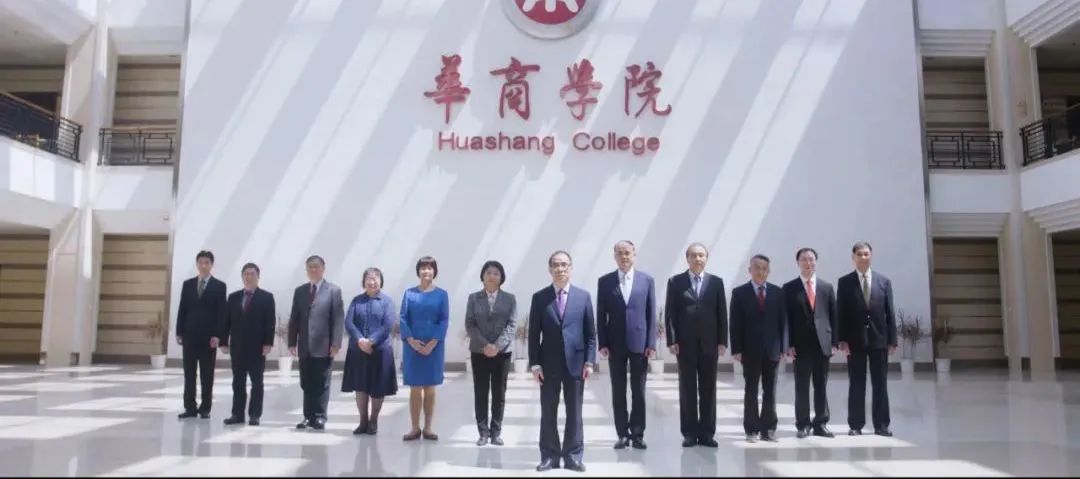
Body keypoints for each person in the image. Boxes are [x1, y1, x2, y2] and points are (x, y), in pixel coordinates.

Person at [530, 250, 596, 473]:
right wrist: (535, 364)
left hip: (576, 364)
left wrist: (589, 362)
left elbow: (590, 334)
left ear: (571, 268)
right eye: (556, 265)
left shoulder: (583, 297)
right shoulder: (539, 298)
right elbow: (533, 334)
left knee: (575, 412)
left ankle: (573, 456)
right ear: (550, 269)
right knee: (548, 411)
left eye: (564, 264)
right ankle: (549, 456)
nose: (560, 269)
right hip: (548, 365)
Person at [664, 242, 727, 448]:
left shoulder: (716, 282)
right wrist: (672, 340)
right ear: (687, 258)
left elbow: (721, 313)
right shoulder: (676, 282)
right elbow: (670, 313)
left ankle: (707, 433)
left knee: (709, 389)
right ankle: (690, 433)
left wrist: (722, 341)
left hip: (710, 344)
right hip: (685, 345)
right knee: (687, 389)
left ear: (706, 258)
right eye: (694, 255)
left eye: (701, 255)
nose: (698, 259)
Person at [596, 240, 655, 450]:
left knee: (639, 391)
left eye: (627, 253)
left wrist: (651, 343)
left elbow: (651, 313)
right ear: (614, 256)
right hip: (615, 344)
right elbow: (600, 314)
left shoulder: (646, 280)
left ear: (634, 255)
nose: (624, 257)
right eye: (619, 253)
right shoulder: (605, 281)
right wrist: (602, 342)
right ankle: (622, 433)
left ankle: (637, 434)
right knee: (618, 390)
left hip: (640, 343)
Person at [838, 241, 897, 437]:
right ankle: (855, 425)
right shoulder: (844, 282)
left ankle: (882, 425)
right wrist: (842, 340)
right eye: (859, 254)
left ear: (871, 256)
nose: (863, 257)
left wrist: (892, 340)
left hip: (879, 339)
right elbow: (841, 313)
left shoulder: (883, 281)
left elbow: (890, 312)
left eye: (866, 254)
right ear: (853, 258)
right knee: (856, 383)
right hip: (854, 341)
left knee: (880, 383)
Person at [730, 254, 788, 443]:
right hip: (750, 350)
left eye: (764, 268)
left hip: (772, 350)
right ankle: (752, 429)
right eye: (757, 268)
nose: (760, 272)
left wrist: (784, 347)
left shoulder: (778, 292)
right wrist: (737, 349)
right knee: (751, 390)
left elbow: (783, 322)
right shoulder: (739, 293)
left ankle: (768, 429)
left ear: (768, 271)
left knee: (770, 390)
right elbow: (735, 323)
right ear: (750, 270)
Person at [783, 247, 838, 438]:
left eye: (812, 259)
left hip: (823, 344)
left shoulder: (826, 287)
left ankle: (821, 423)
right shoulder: (789, 288)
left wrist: (834, 342)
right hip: (800, 345)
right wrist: (788, 344)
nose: (808, 263)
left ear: (816, 262)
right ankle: (803, 424)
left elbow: (834, 316)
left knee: (821, 385)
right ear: (798, 263)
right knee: (802, 386)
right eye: (804, 259)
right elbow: (786, 319)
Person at [288, 255, 345, 431]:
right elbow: (294, 318)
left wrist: (336, 343)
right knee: (306, 382)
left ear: (323, 268)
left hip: (324, 345)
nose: (313, 269)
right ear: (306, 270)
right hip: (305, 346)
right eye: (310, 267)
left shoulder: (333, 291)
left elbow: (338, 319)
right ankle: (308, 416)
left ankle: (319, 416)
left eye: (316, 266)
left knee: (322, 382)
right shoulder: (300, 291)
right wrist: (291, 342)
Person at [464, 260, 517, 447]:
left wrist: (497, 346)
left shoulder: (510, 299)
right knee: (480, 391)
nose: (492, 276)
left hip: (502, 353)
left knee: (499, 392)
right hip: (479, 351)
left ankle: (496, 432)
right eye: (488, 273)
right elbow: (470, 324)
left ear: (501, 277)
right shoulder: (473, 298)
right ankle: (483, 433)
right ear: (483, 277)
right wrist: (486, 345)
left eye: (496, 273)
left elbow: (512, 325)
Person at [342, 267, 398, 435]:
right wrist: (360, 339)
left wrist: (371, 341)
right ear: (364, 281)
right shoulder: (356, 301)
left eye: (375, 278)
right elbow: (349, 322)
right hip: (358, 350)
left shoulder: (387, 302)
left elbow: (388, 325)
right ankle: (363, 422)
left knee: (377, 388)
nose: (372, 282)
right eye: (369, 278)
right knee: (360, 387)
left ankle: (373, 421)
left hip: (380, 351)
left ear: (380, 281)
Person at [400, 256, 450, 442]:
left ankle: (428, 428)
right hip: (412, 346)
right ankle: (414, 428)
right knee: (414, 388)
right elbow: (403, 318)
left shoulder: (442, 294)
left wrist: (433, 342)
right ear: (418, 271)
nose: (426, 271)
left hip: (434, 347)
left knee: (430, 388)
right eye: (423, 268)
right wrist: (411, 340)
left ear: (434, 271)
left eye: (429, 268)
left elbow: (444, 320)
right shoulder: (409, 293)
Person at [220, 262, 275, 426]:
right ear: (242, 277)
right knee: (238, 382)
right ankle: (237, 414)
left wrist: (268, 343)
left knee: (257, 383)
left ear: (258, 277)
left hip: (257, 348)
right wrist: (223, 341)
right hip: (237, 347)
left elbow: (270, 322)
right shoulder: (233, 297)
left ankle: (255, 414)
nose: (249, 277)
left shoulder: (266, 297)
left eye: (252, 274)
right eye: (246, 274)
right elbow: (226, 321)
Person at [176, 250, 227, 419]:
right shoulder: (188, 284)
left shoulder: (219, 286)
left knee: (207, 375)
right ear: (197, 264)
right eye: (201, 262)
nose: (203, 266)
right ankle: (190, 407)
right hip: (189, 336)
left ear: (211, 265)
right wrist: (179, 331)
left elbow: (221, 313)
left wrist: (218, 336)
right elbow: (182, 309)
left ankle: (205, 408)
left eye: (207, 263)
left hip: (209, 339)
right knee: (189, 374)